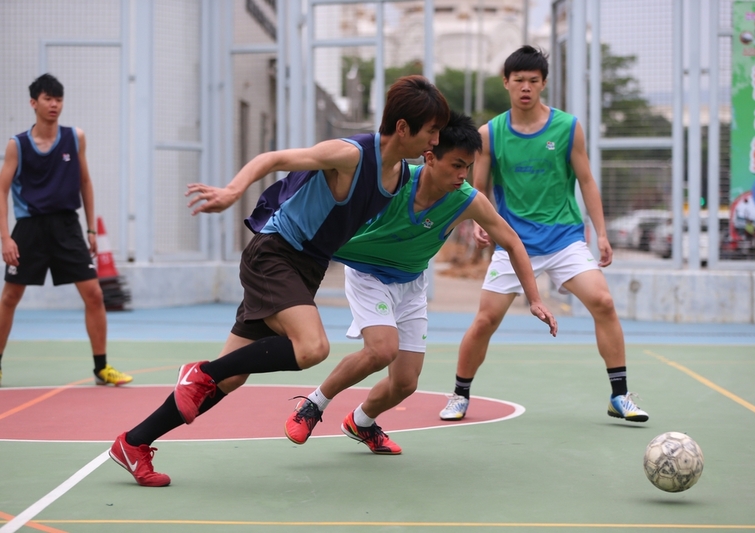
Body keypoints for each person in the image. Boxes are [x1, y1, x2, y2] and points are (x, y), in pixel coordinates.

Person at [109, 75, 450, 487]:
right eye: (431, 130)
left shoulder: (400, 176)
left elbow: (442, 192)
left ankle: (134, 442)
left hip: (306, 267)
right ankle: (200, 372)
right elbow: (272, 159)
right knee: (312, 347)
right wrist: (232, 192)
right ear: (403, 127)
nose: (435, 140)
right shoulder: (350, 155)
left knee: (230, 377)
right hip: (276, 253)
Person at [282, 112, 557, 455]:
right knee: (382, 350)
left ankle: (361, 422)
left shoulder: (467, 199)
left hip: (411, 283)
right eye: (456, 165)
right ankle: (313, 405)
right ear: (429, 157)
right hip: (368, 274)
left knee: (405, 383)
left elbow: (513, 241)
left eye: (467, 167)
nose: (462, 175)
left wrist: (535, 299)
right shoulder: (394, 183)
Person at [438, 46, 649, 424]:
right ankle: (459, 394)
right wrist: (478, 223)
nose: (525, 87)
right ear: (506, 82)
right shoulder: (491, 133)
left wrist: (601, 233)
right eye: (518, 80)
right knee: (485, 320)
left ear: (543, 83)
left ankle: (619, 395)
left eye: (533, 81)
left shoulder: (567, 127)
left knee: (603, 302)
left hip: (564, 239)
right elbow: (478, 187)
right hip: (514, 242)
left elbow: (587, 181)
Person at [0, 73, 132, 388]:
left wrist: (91, 229)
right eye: (48, 98)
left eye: (58, 99)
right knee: (10, 297)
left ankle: (101, 367)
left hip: (67, 227)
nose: (54, 105)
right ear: (33, 103)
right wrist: (5, 237)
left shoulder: (75, 137)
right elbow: (2, 190)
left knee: (94, 294)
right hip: (30, 227)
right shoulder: (17, 145)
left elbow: (85, 181)